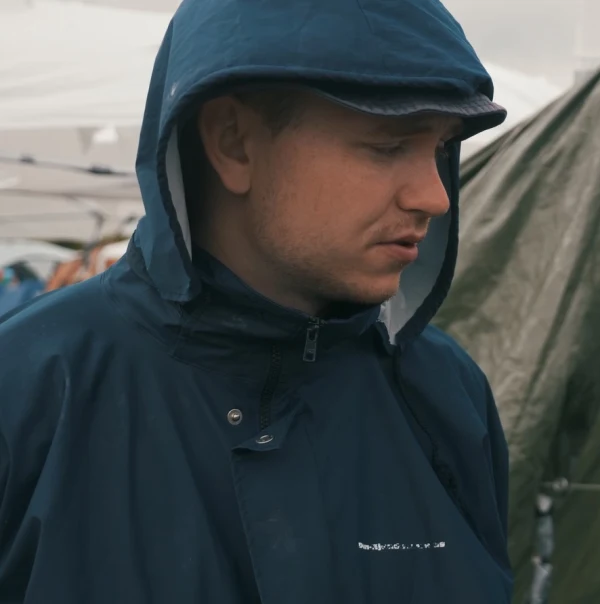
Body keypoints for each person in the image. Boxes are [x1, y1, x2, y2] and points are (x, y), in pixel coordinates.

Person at [0, 1, 513, 602]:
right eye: (388, 145)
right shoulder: (28, 391)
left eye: (440, 149)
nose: (435, 196)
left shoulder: (449, 395)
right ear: (233, 143)